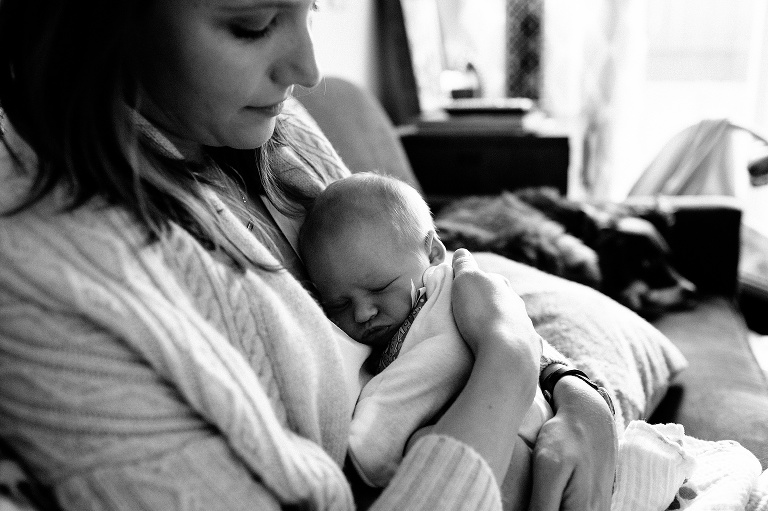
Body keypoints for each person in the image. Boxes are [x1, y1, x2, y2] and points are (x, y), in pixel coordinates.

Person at [0, 0, 617, 510]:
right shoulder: (43, 268)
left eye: (311, 10)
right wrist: (507, 363)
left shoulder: (281, 131)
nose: (310, 69)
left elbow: (434, 288)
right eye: (254, 24)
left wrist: (576, 391)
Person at [299, 172, 556, 509]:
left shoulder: (442, 296)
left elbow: (422, 377)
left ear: (434, 253)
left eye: (379, 288)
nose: (362, 313)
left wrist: (369, 446)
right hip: (492, 435)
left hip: (518, 434)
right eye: (339, 305)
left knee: (424, 443)